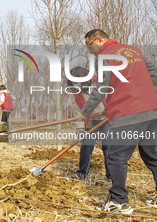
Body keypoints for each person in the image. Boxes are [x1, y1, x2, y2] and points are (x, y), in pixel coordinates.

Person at [77, 29, 157, 214]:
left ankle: (119, 201)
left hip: (129, 111)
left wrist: (85, 112)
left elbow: (101, 88)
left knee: (115, 155)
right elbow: (153, 75)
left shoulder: (105, 56)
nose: (89, 50)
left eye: (89, 45)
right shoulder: (133, 51)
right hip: (151, 110)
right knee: (153, 156)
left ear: (99, 39)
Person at [67, 66, 110, 181]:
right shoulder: (75, 92)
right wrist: (80, 130)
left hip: (108, 119)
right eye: (73, 83)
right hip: (92, 121)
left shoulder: (99, 82)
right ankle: (82, 173)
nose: (76, 85)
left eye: (77, 82)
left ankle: (111, 175)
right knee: (87, 144)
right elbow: (77, 112)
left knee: (108, 146)